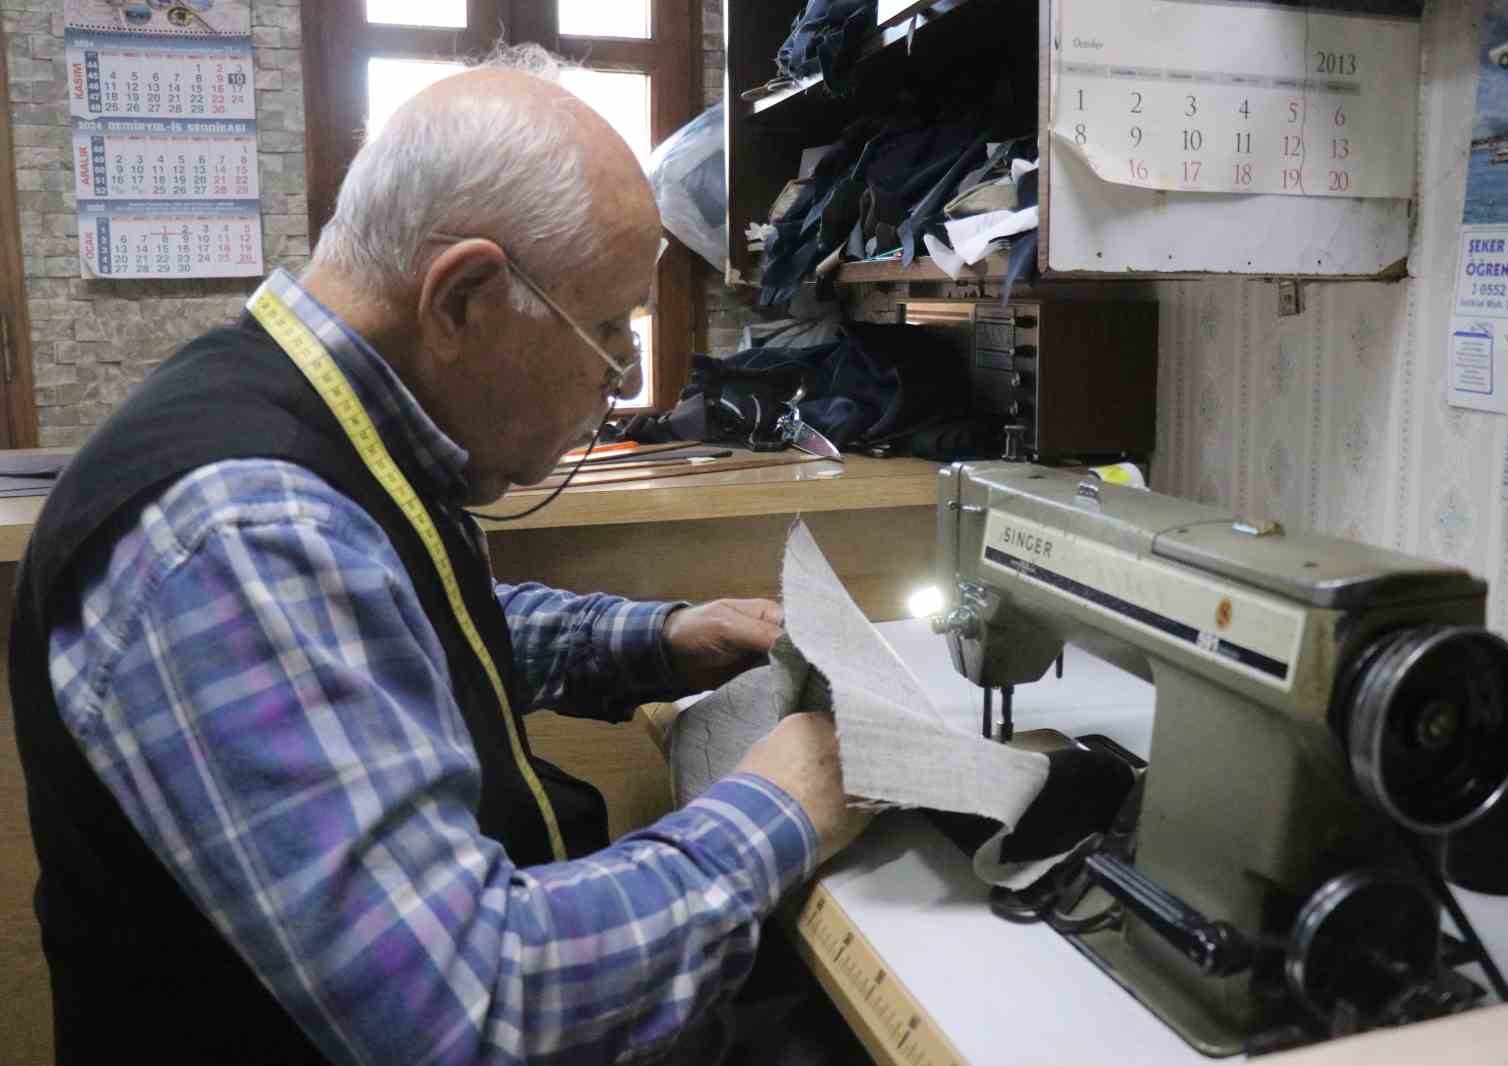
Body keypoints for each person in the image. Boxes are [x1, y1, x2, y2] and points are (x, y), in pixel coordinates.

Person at [11, 44, 870, 1065]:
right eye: (607, 331)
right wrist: (777, 809)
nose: (620, 377)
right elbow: (468, 1007)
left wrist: (655, 640)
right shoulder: (242, 531)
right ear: (462, 298)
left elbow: (392, 619)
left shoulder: (327, 423)